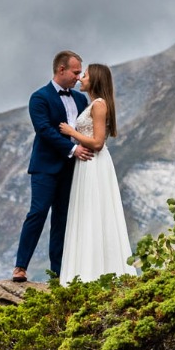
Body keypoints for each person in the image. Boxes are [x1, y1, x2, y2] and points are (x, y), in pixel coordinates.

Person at [12, 51, 96, 282]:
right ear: (61, 70)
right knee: (38, 212)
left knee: (63, 219)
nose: (79, 77)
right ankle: (20, 267)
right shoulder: (39, 97)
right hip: (45, 167)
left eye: (81, 73)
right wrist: (72, 149)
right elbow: (44, 130)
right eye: (76, 72)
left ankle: (58, 274)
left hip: (73, 169)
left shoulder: (80, 100)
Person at [57, 62, 133, 281]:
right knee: (88, 212)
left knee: (93, 212)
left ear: (96, 79)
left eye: (86, 75)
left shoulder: (99, 105)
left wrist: (71, 132)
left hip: (94, 162)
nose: (81, 78)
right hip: (87, 164)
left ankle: (94, 273)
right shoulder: (94, 104)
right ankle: (88, 270)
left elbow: (97, 142)